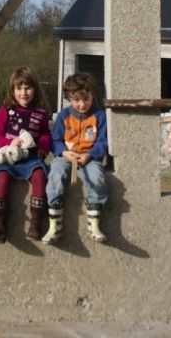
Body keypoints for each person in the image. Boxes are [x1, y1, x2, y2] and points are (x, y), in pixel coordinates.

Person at [42, 72, 108, 245]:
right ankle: (54, 225)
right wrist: (63, 152)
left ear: (92, 95)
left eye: (86, 99)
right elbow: (54, 140)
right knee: (55, 174)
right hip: (66, 156)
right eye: (76, 100)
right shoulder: (64, 116)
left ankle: (94, 223)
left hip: (90, 156)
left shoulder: (99, 116)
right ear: (69, 98)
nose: (81, 104)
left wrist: (90, 155)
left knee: (97, 177)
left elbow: (103, 141)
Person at [0, 66, 51, 242]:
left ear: (35, 89)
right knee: (1, 177)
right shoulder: (6, 110)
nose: (23, 93)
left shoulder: (40, 112)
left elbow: (45, 134)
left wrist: (42, 146)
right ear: (12, 91)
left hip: (31, 157)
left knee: (40, 175)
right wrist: (8, 142)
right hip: (9, 156)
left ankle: (35, 223)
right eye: (19, 88)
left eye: (28, 88)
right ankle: (0, 225)